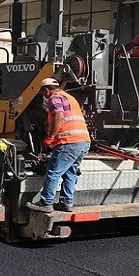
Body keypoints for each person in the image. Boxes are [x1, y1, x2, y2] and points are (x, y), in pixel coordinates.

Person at [26, 78, 91, 213]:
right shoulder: (69, 97)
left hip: (69, 141)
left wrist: (50, 137)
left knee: (53, 172)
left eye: (43, 92)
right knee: (70, 173)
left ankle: (46, 202)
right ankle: (66, 202)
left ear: (46, 90)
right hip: (83, 141)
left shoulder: (54, 98)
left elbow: (59, 117)